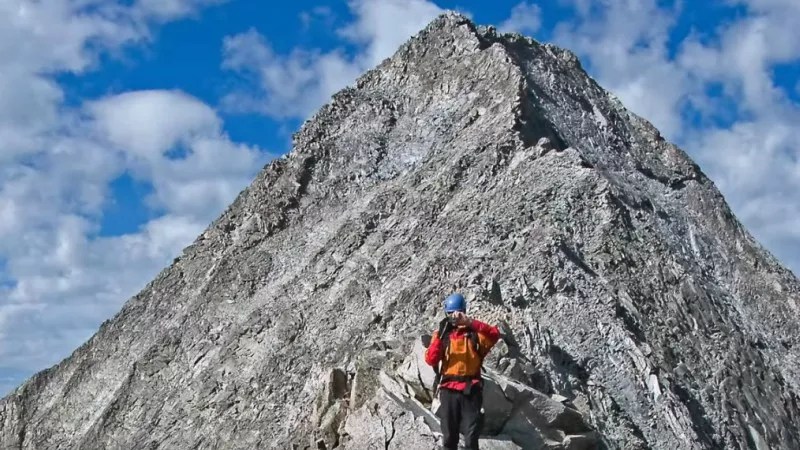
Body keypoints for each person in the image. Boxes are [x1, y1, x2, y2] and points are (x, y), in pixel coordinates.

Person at [424, 292, 500, 450]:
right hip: (448, 390)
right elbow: (431, 359)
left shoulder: (475, 335)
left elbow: (494, 334)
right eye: (451, 314)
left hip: (471, 390)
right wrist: (440, 336)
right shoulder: (442, 335)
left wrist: (470, 322)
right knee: (449, 438)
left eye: (458, 313)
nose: (454, 317)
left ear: (464, 312)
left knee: (471, 437)